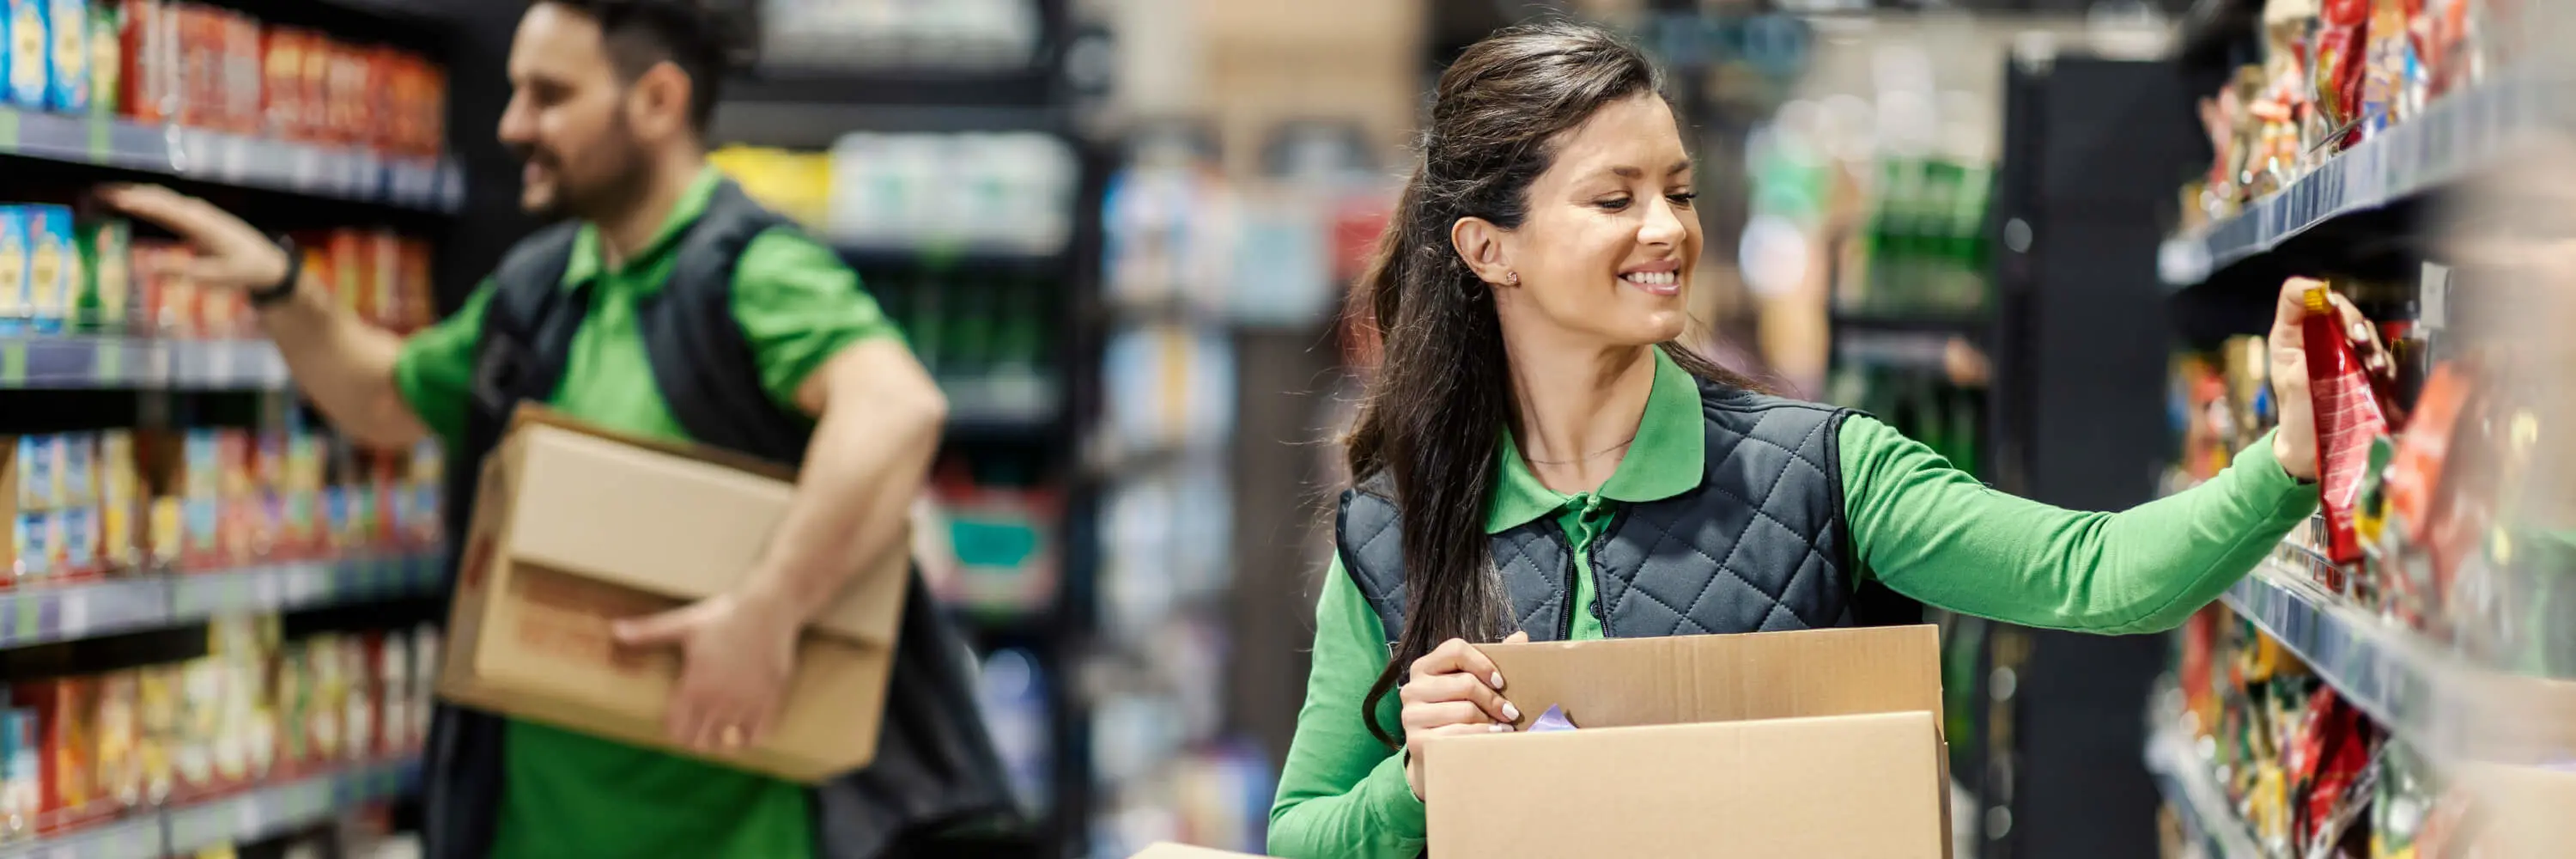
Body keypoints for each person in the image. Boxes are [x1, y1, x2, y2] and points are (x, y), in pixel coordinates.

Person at [1267, 21, 2379, 859]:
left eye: (1679, 192)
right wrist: (1419, 779)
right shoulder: (1399, 530)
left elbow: (2095, 576)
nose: (1668, 231)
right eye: (1614, 200)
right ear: (1488, 250)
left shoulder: (1823, 473)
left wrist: (2285, 459)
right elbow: (1301, 836)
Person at [100, 2, 1012, 857]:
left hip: (726, 828)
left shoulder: (749, 272)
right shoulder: (543, 288)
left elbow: (895, 408)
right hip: (535, 824)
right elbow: (385, 397)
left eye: (551, 95)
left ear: (658, 101)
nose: (511, 125)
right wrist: (280, 284)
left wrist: (767, 614)